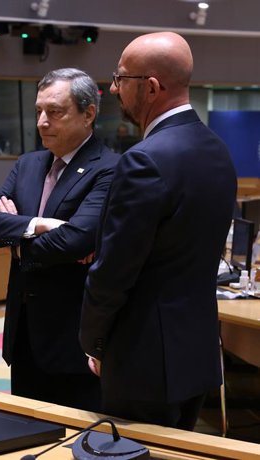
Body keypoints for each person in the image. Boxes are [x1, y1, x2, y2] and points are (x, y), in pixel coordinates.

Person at [80, 32, 237, 429]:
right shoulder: (217, 149)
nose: (113, 89)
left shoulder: (144, 161)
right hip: (197, 352)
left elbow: (115, 271)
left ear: (151, 87)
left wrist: (95, 341)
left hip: (142, 360)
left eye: (121, 78)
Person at [0, 68, 119, 412]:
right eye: (39, 111)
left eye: (55, 112)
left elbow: (76, 240)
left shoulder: (110, 167)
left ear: (88, 114)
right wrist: (38, 225)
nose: (42, 122)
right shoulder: (28, 164)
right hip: (23, 333)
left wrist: (15, 235)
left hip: (73, 340)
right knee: (23, 430)